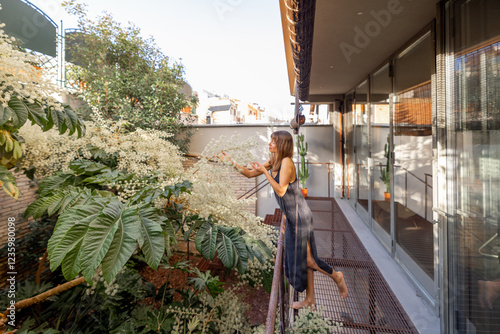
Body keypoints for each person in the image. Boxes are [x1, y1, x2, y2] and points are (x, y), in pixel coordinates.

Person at [227, 130, 348, 309]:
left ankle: (337, 277)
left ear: (281, 144)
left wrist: (265, 173)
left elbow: (281, 190)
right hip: (292, 218)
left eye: (273, 141)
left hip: (301, 217)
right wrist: (229, 162)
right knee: (306, 259)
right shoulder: (274, 161)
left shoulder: (286, 162)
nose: (269, 144)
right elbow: (249, 174)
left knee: (309, 260)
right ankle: (310, 300)